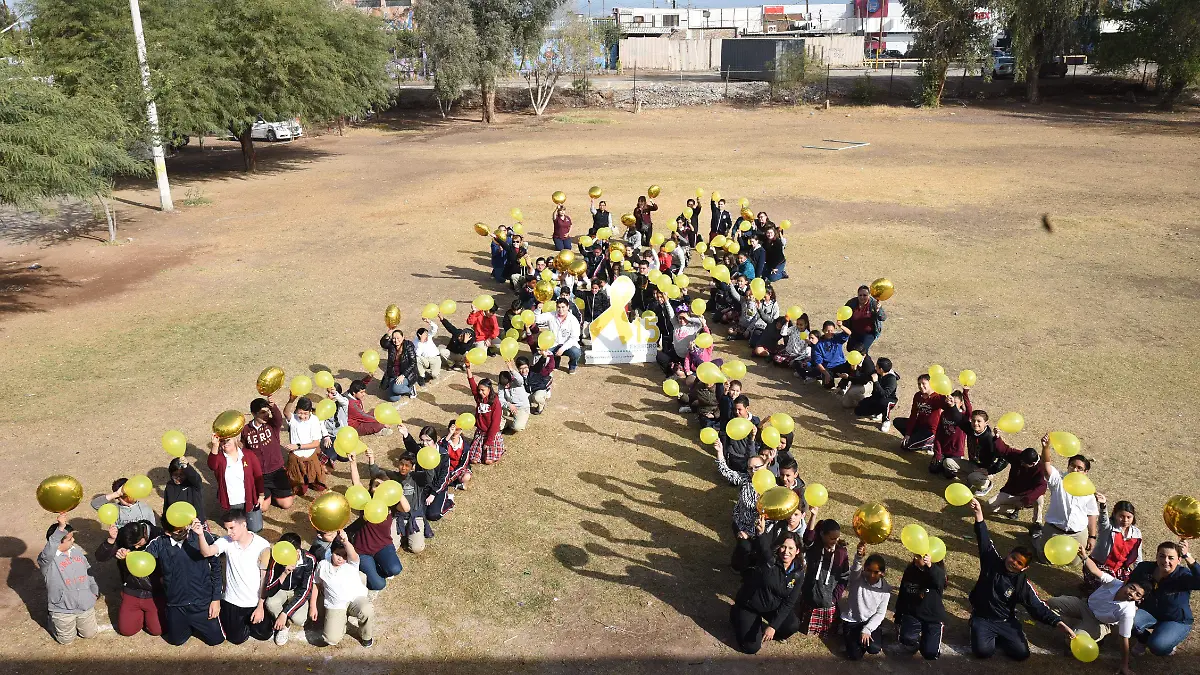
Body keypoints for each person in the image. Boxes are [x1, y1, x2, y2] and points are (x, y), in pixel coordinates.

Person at [964, 498, 1075, 660]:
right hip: (983, 618)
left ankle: (1004, 635)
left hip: (1005, 620)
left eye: (1019, 563)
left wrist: (1059, 623)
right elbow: (984, 539)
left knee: (1021, 654)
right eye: (1013, 558)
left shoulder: (1022, 584)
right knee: (983, 652)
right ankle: (975, 625)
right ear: (1008, 554)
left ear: (1024, 568)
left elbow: (1037, 607)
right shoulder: (992, 562)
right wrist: (979, 514)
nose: (1013, 563)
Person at [1048, 546, 1145, 675]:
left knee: (1071, 641)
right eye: (1132, 588)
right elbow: (1094, 570)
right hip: (1084, 605)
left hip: (1099, 623)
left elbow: (1124, 639)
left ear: (1140, 599)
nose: (1132, 594)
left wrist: (1124, 665)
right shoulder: (1115, 582)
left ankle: (1096, 636)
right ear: (1125, 582)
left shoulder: (1128, 612)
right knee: (1052, 603)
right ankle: (1078, 625)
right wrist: (1084, 556)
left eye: (1137, 595)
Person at [728, 517, 804, 654]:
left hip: (772, 607)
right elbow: (764, 548)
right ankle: (736, 613)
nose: (786, 552)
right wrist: (761, 532)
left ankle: (767, 628)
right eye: (783, 547)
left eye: (791, 548)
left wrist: (773, 626)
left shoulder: (798, 573)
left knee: (792, 625)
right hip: (750, 605)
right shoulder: (769, 561)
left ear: (797, 551)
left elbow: (789, 603)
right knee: (751, 647)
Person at [144, 519, 224, 646]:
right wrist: (126, 554)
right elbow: (143, 560)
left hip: (202, 603)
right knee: (176, 641)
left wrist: (216, 599)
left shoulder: (203, 537)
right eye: (178, 530)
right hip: (176, 605)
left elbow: (216, 568)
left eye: (184, 528)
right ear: (168, 532)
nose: (184, 531)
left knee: (216, 640)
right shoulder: (159, 543)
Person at [196, 509, 271, 644]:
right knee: (236, 639)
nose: (229, 532)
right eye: (227, 529)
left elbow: (264, 579)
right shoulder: (226, 541)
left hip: (253, 601)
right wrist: (201, 535)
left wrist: (260, 606)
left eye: (232, 528)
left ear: (244, 525)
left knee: (264, 634)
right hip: (233, 602)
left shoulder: (262, 545)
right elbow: (207, 552)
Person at [346, 455, 408, 590]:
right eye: (375, 485)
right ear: (371, 487)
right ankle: (368, 568)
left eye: (382, 486)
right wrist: (353, 463)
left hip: (383, 545)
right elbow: (356, 483)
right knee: (379, 585)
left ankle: (376, 566)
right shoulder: (365, 500)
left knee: (395, 569)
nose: (378, 488)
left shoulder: (391, 504)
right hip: (363, 550)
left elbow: (406, 508)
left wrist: (396, 490)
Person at [1033, 435, 1099, 563]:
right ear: (1068, 467)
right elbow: (1046, 466)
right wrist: (1045, 447)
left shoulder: (1088, 490)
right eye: (1072, 466)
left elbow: (1092, 515)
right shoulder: (1058, 480)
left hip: (1077, 533)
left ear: (1085, 472)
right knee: (1044, 559)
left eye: (1079, 468)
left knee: (1075, 562)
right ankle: (1037, 537)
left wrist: (1092, 536)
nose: (1075, 469)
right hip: (1054, 530)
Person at [1129, 540, 1200, 656]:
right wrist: (1133, 605)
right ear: (1156, 556)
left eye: (1171, 558)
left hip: (1175, 619)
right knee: (1127, 619)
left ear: (1179, 560)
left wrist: (1188, 556)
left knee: (1158, 647)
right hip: (1149, 612)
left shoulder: (1183, 575)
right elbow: (1129, 586)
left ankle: (1167, 638)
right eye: (1162, 556)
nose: (1165, 561)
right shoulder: (1144, 568)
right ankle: (1143, 640)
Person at [96, 519, 164, 637]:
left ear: (145, 534)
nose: (136, 547)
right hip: (132, 589)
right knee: (127, 630)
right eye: (133, 546)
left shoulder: (159, 536)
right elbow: (100, 557)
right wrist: (111, 541)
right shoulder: (124, 535)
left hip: (154, 591)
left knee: (157, 630)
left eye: (138, 544)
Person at [38, 514, 99, 645]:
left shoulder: (76, 552)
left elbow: (89, 572)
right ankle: (52, 620)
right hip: (62, 609)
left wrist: (94, 591)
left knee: (90, 634)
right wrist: (60, 528)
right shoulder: (46, 560)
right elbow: (50, 547)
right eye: (70, 539)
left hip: (84, 605)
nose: (74, 540)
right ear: (59, 541)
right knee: (66, 641)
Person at [314, 530, 374, 647]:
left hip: (355, 599)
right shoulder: (322, 565)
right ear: (331, 552)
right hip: (335, 604)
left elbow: (353, 555)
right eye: (337, 554)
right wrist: (312, 606)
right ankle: (341, 621)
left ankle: (366, 635)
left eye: (344, 555)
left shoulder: (351, 562)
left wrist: (345, 541)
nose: (341, 559)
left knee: (367, 609)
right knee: (330, 639)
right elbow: (315, 583)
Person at [798, 514, 850, 637]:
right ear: (822, 535)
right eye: (832, 538)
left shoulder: (841, 553)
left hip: (827, 601)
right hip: (809, 596)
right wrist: (813, 515)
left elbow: (844, 577)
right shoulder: (815, 548)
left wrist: (834, 598)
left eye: (837, 538)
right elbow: (808, 538)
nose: (835, 541)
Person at [262, 532, 318, 645]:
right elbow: (269, 590)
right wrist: (284, 574)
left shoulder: (309, 560)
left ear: (297, 551)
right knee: (271, 603)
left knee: (300, 619)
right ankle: (284, 627)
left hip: (297, 591)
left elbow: (305, 590)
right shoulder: (276, 557)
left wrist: (284, 613)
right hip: (281, 589)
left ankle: (284, 614)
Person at [241, 394, 295, 511]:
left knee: (287, 504)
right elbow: (244, 448)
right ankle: (268, 494)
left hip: (277, 471)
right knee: (263, 508)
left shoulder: (272, 425)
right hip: (260, 475)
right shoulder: (246, 430)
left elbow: (278, 418)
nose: (266, 415)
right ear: (254, 414)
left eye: (267, 412)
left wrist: (272, 406)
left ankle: (276, 493)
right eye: (262, 412)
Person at [840, 543, 891, 660]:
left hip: (869, 622)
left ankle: (868, 635)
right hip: (852, 620)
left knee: (874, 648)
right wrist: (859, 557)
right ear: (864, 569)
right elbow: (854, 570)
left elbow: (880, 613)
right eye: (868, 570)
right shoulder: (857, 578)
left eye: (876, 572)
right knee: (854, 656)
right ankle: (850, 636)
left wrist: (867, 629)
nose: (871, 575)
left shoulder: (885, 590)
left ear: (882, 573)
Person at [206, 433, 266, 533]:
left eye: (227, 440)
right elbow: (212, 465)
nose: (224, 443)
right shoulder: (219, 457)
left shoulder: (248, 454)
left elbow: (258, 476)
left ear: (235, 439)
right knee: (236, 530)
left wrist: (261, 495)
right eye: (222, 441)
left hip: (249, 499)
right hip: (231, 502)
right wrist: (215, 446)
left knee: (256, 528)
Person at [894, 551, 946, 661]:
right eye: (916, 555)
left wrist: (930, 566)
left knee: (930, 653)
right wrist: (898, 617)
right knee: (907, 641)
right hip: (913, 614)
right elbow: (903, 594)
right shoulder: (910, 570)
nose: (915, 558)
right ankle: (916, 639)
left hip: (932, 618)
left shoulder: (937, 573)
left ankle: (930, 638)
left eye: (919, 556)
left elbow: (939, 581)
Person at [1084, 497, 1142, 593]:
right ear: (1115, 514)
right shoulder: (1108, 527)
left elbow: (1138, 557)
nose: (1125, 520)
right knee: (1107, 590)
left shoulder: (1136, 533)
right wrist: (1103, 506)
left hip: (1119, 569)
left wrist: (1140, 573)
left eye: (1129, 517)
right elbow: (1103, 520)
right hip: (1100, 566)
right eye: (1121, 516)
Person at [714, 439, 767, 538]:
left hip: (761, 529)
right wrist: (719, 451)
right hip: (740, 524)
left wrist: (752, 533)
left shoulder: (771, 486)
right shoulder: (745, 479)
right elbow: (726, 472)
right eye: (750, 468)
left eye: (756, 467)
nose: (753, 471)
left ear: (764, 466)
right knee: (744, 548)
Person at [283, 395, 330, 497]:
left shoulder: (314, 420)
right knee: (301, 491)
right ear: (296, 410)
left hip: (310, 456)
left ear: (310, 412)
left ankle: (312, 479)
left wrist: (298, 446)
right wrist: (291, 399)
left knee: (320, 487)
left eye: (305, 414)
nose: (302, 416)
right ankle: (301, 480)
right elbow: (286, 412)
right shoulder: (294, 419)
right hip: (297, 457)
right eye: (300, 413)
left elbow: (315, 443)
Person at [985, 446, 1046, 524]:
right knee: (988, 506)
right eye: (1021, 461)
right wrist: (997, 437)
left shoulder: (1042, 468)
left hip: (1027, 496)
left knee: (1039, 499)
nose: (1021, 463)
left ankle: (1037, 523)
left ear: (1033, 464)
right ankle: (1013, 508)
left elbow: (1042, 487)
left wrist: (1026, 500)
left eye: (1024, 463)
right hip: (1010, 492)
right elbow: (1005, 449)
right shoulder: (1019, 456)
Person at [464, 363, 506, 466]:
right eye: (479, 390)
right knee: (474, 460)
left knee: (488, 461)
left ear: (489, 389)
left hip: (492, 433)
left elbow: (495, 423)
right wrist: (468, 369)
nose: (480, 392)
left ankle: (495, 449)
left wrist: (489, 441)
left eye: (483, 390)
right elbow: (472, 383)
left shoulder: (495, 402)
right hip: (481, 432)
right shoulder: (479, 398)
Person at [892, 374, 944, 454]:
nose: (921, 386)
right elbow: (913, 415)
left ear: (930, 383)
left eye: (924, 383)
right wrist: (907, 434)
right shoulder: (917, 395)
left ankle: (930, 444)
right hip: (919, 426)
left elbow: (947, 406)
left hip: (930, 430)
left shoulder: (937, 398)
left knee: (906, 447)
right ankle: (915, 440)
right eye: (919, 384)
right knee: (897, 421)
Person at [89, 477, 158, 528]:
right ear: (117, 498)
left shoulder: (145, 509)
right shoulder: (114, 509)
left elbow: (153, 529)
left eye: (131, 494)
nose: (128, 498)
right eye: (124, 496)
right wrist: (116, 493)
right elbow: (95, 504)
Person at [536, 297, 582, 374]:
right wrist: (538, 309)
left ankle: (572, 366)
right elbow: (537, 319)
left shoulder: (573, 320)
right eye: (558, 307)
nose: (560, 310)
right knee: (541, 354)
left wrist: (563, 348)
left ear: (568, 307)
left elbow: (574, 338)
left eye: (563, 307)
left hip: (568, 345)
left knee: (576, 352)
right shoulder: (551, 315)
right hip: (554, 343)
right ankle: (555, 362)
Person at [854, 357, 898, 432]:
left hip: (889, 400)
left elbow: (885, 395)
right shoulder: (876, 373)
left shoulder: (891, 379)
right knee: (858, 410)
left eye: (876, 366)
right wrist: (855, 371)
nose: (875, 367)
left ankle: (886, 420)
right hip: (876, 398)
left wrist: (876, 382)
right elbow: (863, 377)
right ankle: (878, 411)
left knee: (884, 402)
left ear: (881, 369)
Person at [719, 395, 760, 475]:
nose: (737, 412)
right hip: (734, 455)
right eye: (735, 409)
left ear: (747, 408)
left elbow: (759, 440)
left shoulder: (755, 421)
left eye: (739, 409)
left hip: (748, 456)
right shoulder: (731, 420)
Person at [843, 285, 886, 354]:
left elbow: (883, 318)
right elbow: (844, 314)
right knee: (850, 349)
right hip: (854, 332)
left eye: (865, 295)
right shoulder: (851, 303)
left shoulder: (874, 304)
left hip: (868, 333)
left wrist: (878, 311)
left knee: (861, 351)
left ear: (869, 295)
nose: (862, 297)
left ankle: (867, 364)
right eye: (860, 295)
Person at [810, 320, 853, 390]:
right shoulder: (819, 345)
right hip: (828, 367)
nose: (830, 333)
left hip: (840, 364)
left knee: (851, 370)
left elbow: (849, 333)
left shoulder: (837, 337)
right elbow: (818, 362)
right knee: (827, 386)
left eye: (831, 330)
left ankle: (842, 387)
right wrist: (826, 374)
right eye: (827, 331)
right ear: (823, 331)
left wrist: (841, 326)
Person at [378, 328, 418, 401]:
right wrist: (387, 335)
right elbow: (383, 343)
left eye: (398, 338)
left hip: (407, 374)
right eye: (394, 338)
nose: (396, 340)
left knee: (396, 389)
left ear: (403, 337)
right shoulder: (391, 345)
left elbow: (413, 363)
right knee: (393, 398)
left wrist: (403, 375)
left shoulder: (408, 346)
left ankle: (410, 389)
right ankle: (399, 388)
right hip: (394, 374)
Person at [163, 457, 205, 523]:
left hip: (195, 524)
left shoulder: (193, 484)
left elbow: (196, 478)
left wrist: (186, 466)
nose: (178, 477)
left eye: (182, 475)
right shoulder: (169, 486)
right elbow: (166, 507)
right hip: (177, 525)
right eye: (175, 475)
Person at [498, 369, 530, 433]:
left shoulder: (517, 382)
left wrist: (511, 369)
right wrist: (508, 405)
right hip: (509, 406)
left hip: (522, 408)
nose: (506, 386)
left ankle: (513, 422)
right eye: (504, 385)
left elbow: (520, 379)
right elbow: (500, 399)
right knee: (497, 408)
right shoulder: (501, 385)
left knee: (517, 427)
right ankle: (504, 423)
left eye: (507, 384)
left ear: (511, 380)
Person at [414, 319, 442, 384]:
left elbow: (435, 327)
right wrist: (421, 343)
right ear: (419, 335)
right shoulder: (416, 342)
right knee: (417, 359)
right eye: (425, 334)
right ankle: (422, 376)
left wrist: (429, 321)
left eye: (427, 334)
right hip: (426, 360)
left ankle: (432, 371)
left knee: (434, 375)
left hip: (435, 358)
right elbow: (417, 354)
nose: (426, 336)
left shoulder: (429, 336)